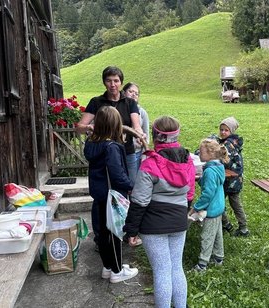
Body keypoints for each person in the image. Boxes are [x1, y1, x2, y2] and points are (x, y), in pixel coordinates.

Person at [123, 116, 195, 308]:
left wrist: (131, 231)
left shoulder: (150, 163)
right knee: (176, 268)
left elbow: (139, 201)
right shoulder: (188, 161)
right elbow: (190, 194)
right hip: (179, 221)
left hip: (153, 225)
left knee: (162, 271)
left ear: (155, 136)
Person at [76, 66, 144, 249]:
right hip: (105, 150)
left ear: (121, 82)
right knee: (103, 194)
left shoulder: (129, 102)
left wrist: (139, 134)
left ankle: (125, 232)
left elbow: (136, 125)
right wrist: (91, 128)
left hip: (126, 152)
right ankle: (101, 237)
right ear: (104, 82)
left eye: (116, 80)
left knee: (125, 193)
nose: (112, 84)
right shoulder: (97, 102)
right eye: (109, 80)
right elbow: (80, 126)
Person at [83, 106, 138, 283]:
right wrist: (130, 186)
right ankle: (116, 271)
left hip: (99, 196)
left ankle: (109, 266)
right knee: (115, 233)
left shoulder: (92, 144)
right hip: (113, 196)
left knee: (104, 234)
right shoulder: (111, 147)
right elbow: (117, 173)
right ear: (115, 125)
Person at [190, 138, 229, 272]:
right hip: (219, 206)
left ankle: (202, 264)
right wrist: (201, 180)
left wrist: (196, 207)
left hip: (211, 208)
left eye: (200, 152)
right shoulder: (218, 166)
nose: (198, 154)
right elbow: (214, 185)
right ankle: (218, 257)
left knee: (207, 236)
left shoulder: (209, 171)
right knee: (217, 233)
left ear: (210, 153)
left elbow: (208, 194)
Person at [217, 117, 249, 237]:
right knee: (233, 203)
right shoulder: (232, 141)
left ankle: (237, 226)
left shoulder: (228, 144)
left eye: (226, 130)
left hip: (231, 180)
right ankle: (238, 226)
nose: (223, 132)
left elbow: (224, 160)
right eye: (221, 129)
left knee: (221, 201)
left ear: (231, 132)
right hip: (233, 179)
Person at [123, 82, 150, 188]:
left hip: (136, 152)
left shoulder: (142, 112)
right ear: (124, 93)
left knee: (134, 181)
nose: (134, 95)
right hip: (120, 150)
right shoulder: (119, 108)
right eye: (130, 91)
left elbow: (146, 133)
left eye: (136, 93)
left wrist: (145, 152)